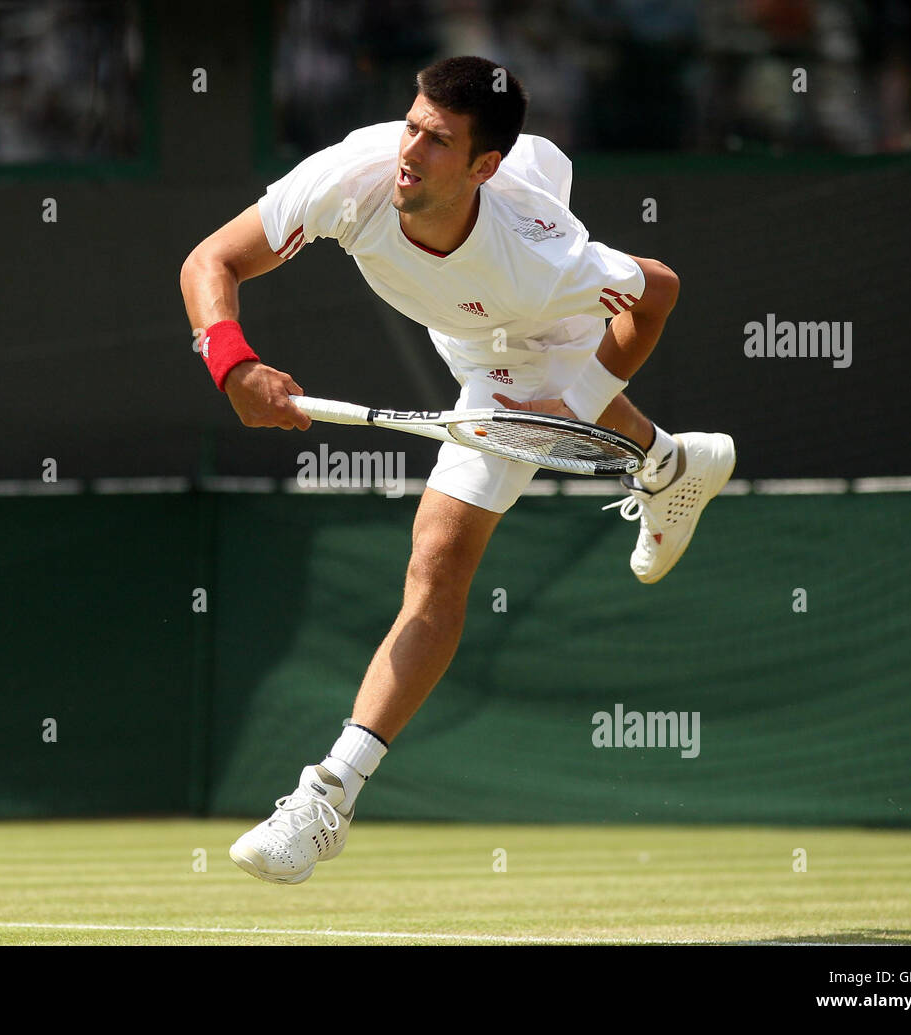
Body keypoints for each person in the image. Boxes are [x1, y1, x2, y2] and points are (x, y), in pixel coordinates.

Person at [179, 56, 735, 884]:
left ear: (483, 167)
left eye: (436, 141)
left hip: (543, 334)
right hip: (472, 335)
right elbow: (208, 262)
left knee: (436, 561)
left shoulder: (546, 256)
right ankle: (668, 462)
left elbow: (659, 292)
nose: (409, 151)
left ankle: (327, 797)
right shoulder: (350, 179)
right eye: (410, 124)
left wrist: (573, 406)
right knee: (463, 508)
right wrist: (232, 364)